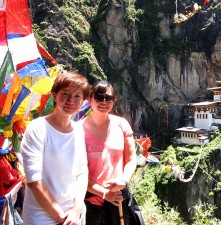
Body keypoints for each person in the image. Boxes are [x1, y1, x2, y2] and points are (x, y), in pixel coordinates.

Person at [21, 71, 90, 225]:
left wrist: (76, 209)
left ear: (83, 100)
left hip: (73, 215)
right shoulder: (38, 129)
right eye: (65, 94)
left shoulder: (78, 130)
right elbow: (34, 181)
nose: (70, 100)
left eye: (77, 96)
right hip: (41, 217)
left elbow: (81, 172)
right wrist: (62, 218)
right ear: (55, 95)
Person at [82, 80, 137, 225]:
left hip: (119, 198)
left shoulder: (121, 124)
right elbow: (76, 172)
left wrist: (123, 181)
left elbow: (131, 159)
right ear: (89, 99)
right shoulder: (78, 130)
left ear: (114, 101)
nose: (104, 101)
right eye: (99, 97)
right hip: (90, 200)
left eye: (109, 98)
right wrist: (104, 193)